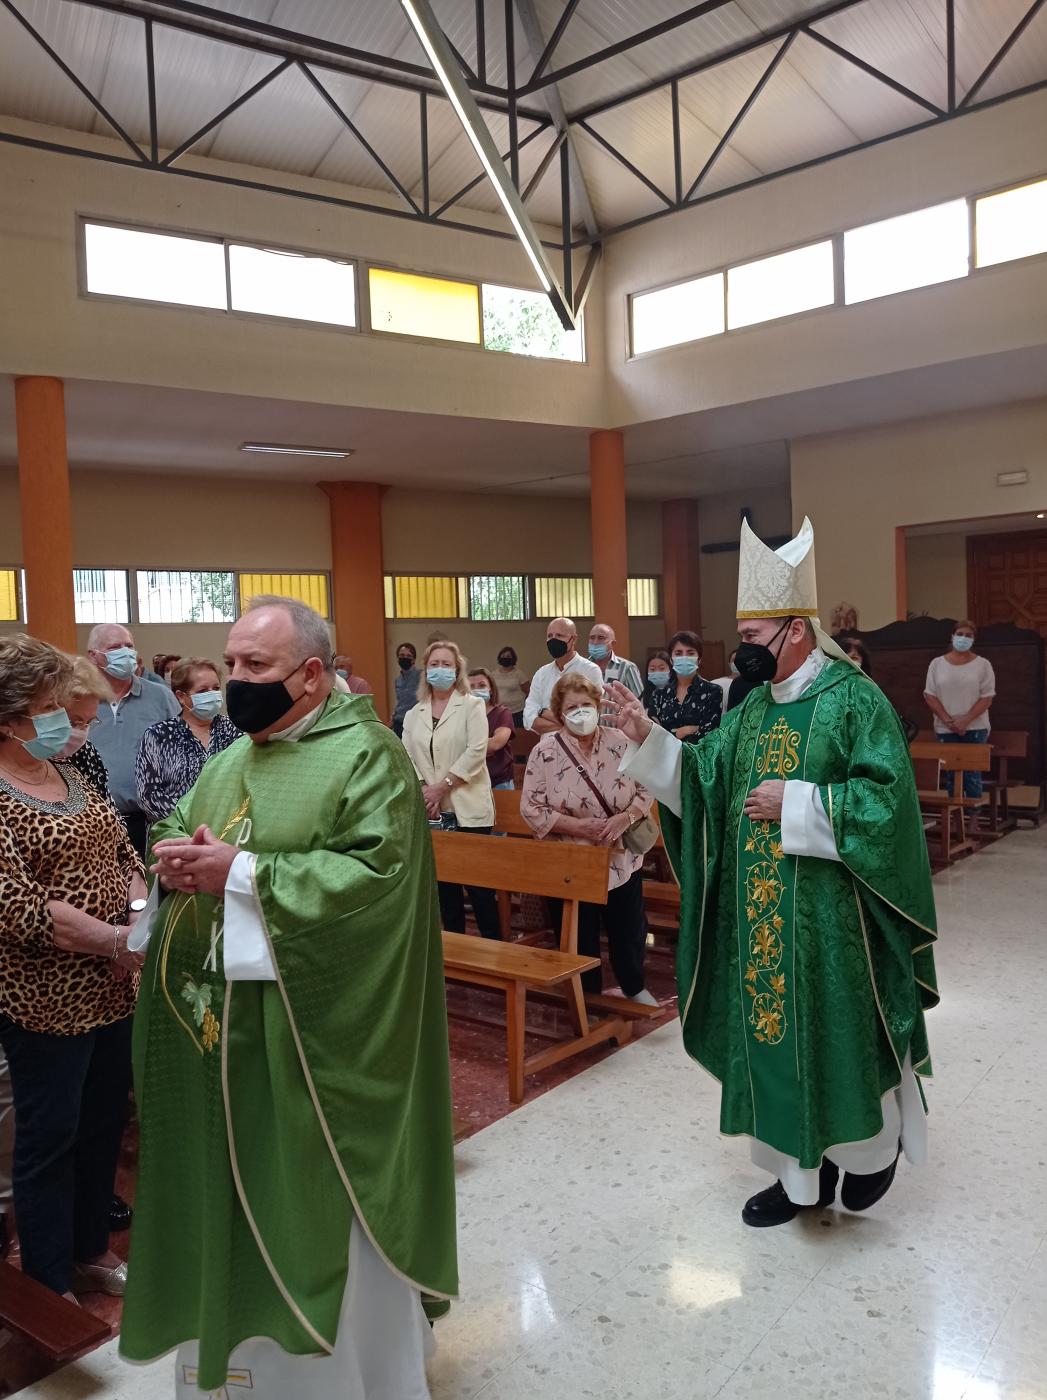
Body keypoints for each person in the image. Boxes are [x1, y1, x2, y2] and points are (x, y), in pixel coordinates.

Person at [119, 597, 457, 1399]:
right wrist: (178, 850)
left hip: (313, 1051)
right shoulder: (236, 756)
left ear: (312, 674)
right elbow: (197, 822)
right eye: (229, 665)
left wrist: (239, 873)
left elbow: (379, 884)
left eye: (254, 667)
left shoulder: (367, 756)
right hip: (224, 1048)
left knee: (310, 1206)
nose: (234, 683)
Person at [609, 516, 939, 1228]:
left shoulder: (855, 701)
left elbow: (888, 807)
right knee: (771, 1038)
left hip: (834, 926)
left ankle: (867, 1155)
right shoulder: (753, 706)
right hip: (759, 923)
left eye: (753, 638)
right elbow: (705, 778)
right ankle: (799, 1179)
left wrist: (800, 803)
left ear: (796, 630)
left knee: (840, 1039)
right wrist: (649, 739)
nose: (742, 652)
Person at [0, 635, 145, 1299]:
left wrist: (139, 919)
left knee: (101, 1128)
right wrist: (117, 941)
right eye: (49, 706)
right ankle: (48, 1277)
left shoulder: (72, 774)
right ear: (8, 718)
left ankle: (90, 1250)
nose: (62, 717)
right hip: (44, 1001)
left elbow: (123, 852)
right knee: (49, 1140)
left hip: (113, 990)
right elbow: (24, 910)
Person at [520, 673, 657, 1006]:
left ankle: (633, 985)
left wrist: (627, 817)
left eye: (586, 705)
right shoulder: (545, 751)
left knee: (628, 929)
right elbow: (531, 806)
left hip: (620, 854)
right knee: (578, 933)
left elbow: (646, 788)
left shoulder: (619, 741)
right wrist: (578, 827)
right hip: (570, 858)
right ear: (559, 712)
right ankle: (587, 997)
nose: (581, 712)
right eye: (572, 707)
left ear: (597, 706)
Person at [402, 642, 501, 941]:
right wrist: (423, 790)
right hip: (433, 811)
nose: (440, 669)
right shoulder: (412, 714)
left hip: (469, 808)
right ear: (426, 669)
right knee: (445, 889)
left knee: (480, 888)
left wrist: (441, 787)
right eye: (435, 664)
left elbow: (476, 750)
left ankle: (493, 951)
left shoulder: (471, 705)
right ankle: (457, 953)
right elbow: (406, 756)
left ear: (457, 670)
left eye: (447, 664)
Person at [87, 624, 180, 856]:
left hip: (147, 823)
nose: (125, 652)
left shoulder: (160, 696)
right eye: (115, 647)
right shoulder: (79, 700)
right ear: (93, 656)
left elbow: (182, 749)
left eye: (129, 646)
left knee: (146, 890)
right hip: (91, 823)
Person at [134, 657, 243, 823]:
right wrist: (191, 820)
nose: (212, 695)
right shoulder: (158, 736)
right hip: (175, 835)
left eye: (215, 688)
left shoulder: (235, 731)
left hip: (227, 831)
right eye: (202, 691)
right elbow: (148, 796)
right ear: (181, 697)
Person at [924, 621, 996, 799]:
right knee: (951, 774)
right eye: (960, 634)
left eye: (968, 635)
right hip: (945, 727)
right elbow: (930, 695)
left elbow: (987, 697)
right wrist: (948, 720)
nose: (963, 638)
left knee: (972, 775)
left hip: (975, 727)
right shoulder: (937, 664)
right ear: (952, 636)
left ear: (974, 639)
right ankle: (955, 818)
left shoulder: (983, 664)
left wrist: (965, 720)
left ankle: (973, 820)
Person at [522, 618, 603, 734]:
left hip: (580, 747)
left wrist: (543, 712)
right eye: (550, 636)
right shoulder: (541, 674)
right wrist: (570, 724)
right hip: (548, 747)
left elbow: (586, 721)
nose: (553, 640)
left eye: (559, 635)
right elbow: (529, 719)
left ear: (573, 639)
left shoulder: (590, 670)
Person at [649, 630, 722, 743]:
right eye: (678, 653)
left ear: (699, 659)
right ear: (671, 660)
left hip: (699, 757)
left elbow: (711, 732)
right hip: (665, 757)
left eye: (690, 653)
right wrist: (684, 731)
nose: (684, 657)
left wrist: (671, 734)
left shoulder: (712, 691)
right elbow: (653, 732)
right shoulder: (659, 694)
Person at [468, 668, 515, 790]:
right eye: (471, 686)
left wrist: (467, 746)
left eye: (482, 685)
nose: (476, 690)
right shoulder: (462, 715)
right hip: (470, 781)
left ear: (491, 690)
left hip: (499, 782)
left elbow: (495, 743)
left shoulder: (503, 713)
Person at [587, 623, 643, 727]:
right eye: (592, 638)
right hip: (589, 733)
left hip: (620, 733)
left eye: (600, 638)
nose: (595, 642)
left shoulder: (627, 668)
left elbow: (639, 703)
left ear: (612, 644)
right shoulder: (583, 667)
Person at [494, 646, 530, 727]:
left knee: (518, 736)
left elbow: (529, 691)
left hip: (517, 712)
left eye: (508, 656)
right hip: (500, 711)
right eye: (503, 656)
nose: (505, 658)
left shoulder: (519, 674)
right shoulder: (494, 674)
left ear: (513, 658)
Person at [391, 641, 419, 738]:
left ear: (414, 660)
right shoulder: (397, 680)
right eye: (402, 655)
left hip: (415, 724)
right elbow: (400, 701)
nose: (405, 658)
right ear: (397, 658)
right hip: (398, 723)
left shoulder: (421, 676)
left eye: (408, 656)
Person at [642, 650, 672, 718]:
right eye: (652, 669)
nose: (657, 672)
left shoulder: (679, 693)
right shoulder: (643, 697)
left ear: (671, 670)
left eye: (662, 668)